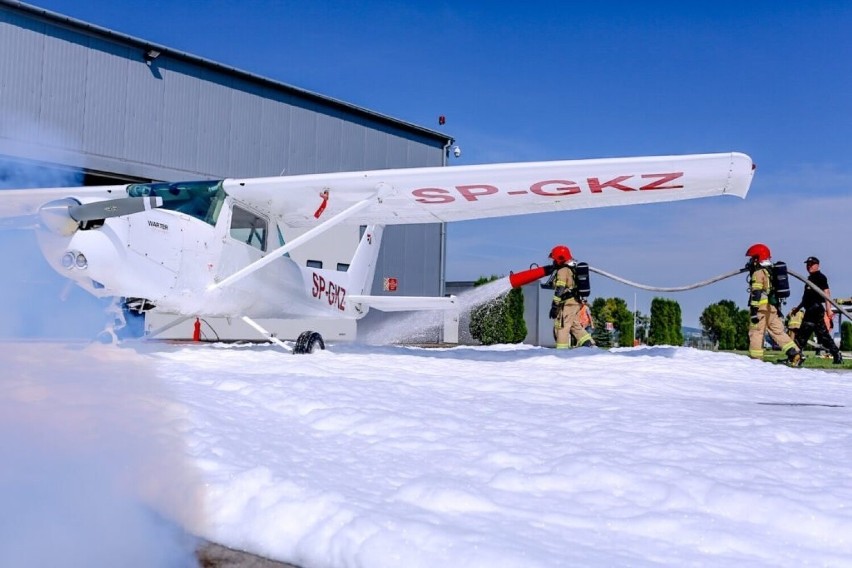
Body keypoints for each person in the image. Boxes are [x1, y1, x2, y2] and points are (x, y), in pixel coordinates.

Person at [744, 244, 802, 366]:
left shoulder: (759, 273)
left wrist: (754, 311)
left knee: (756, 332)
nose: (751, 261)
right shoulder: (771, 271)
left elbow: (756, 292)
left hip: (760, 308)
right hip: (772, 308)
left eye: (753, 258)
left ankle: (756, 359)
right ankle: (795, 353)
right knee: (778, 332)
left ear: (757, 258)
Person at [790, 256, 843, 364]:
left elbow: (826, 293)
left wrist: (828, 309)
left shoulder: (820, 277)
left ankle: (796, 357)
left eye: (811, 264)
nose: (809, 266)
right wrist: (798, 308)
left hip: (815, 309)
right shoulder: (809, 278)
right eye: (807, 264)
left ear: (817, 265)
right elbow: (805, 298)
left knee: (802, 335)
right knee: (822, 336)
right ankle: (837, 355)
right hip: (810, 308)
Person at [548, 245, 594, 349]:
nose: (553, 262)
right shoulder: (572, 268)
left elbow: (560, 289)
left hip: (568, 303)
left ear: (560, 259)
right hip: (575, 302)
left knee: (562, 327)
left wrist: (554, 306)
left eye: (554, 259)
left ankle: (561, 351)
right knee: (574, 326)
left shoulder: (563, 270)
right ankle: (589, 344)